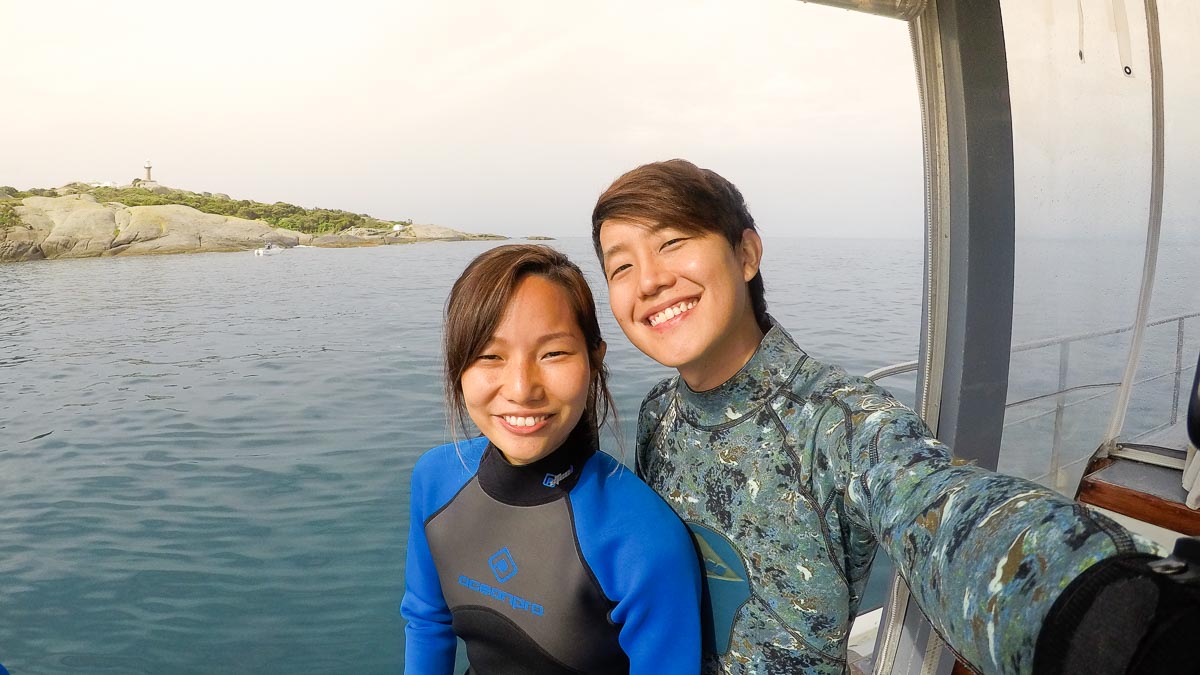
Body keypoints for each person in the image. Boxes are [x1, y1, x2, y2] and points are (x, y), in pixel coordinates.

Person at [591, 159, 1199, 674]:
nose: (649, 280)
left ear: (745, 253)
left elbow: (941, 509)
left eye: (672, 242)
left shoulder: (841, 423)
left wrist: (1109, 611)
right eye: (621, 265)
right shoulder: (657, 414)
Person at [401, 244, 702, 674]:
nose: (522, 388)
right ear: (458, 367)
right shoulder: (436, 479)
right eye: (490, 356)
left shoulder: (642, 537)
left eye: (553, 353)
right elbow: (426, 621)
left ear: (594, 360)